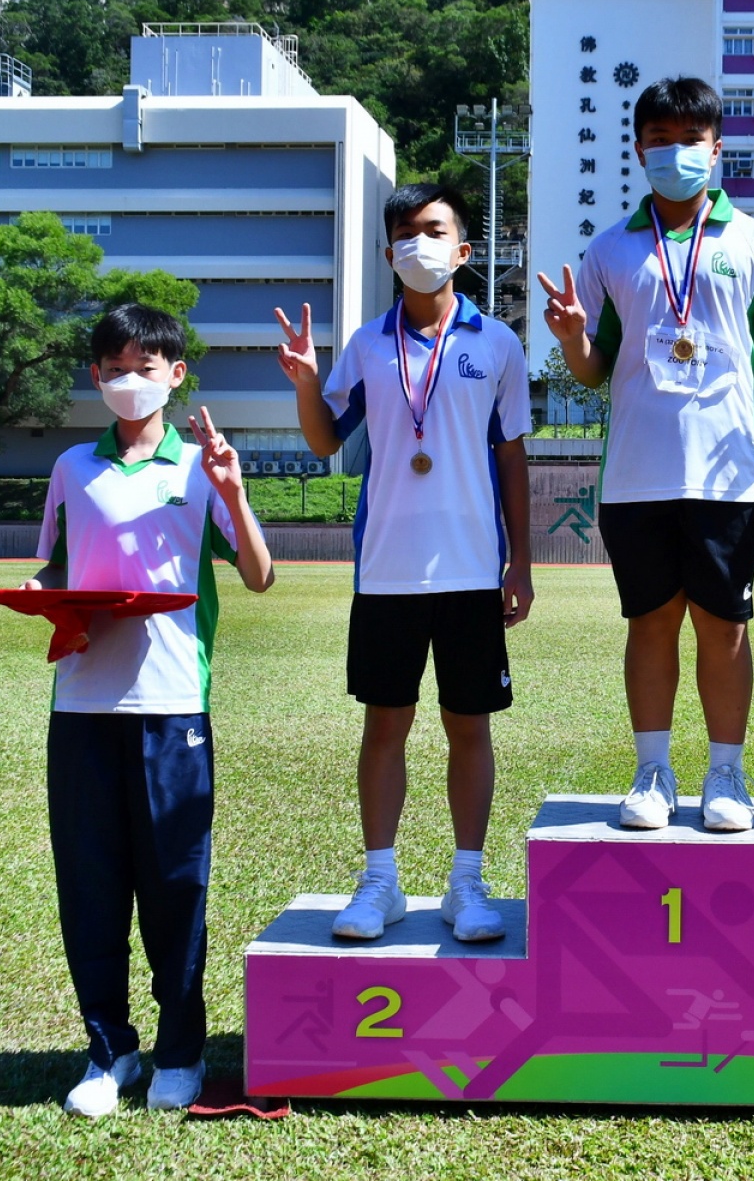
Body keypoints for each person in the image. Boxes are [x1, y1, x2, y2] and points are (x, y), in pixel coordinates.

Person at [534, 76, 754, 832]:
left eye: (690, 140)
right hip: (636, 476)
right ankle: (652, 771)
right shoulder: (610, 248)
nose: (675, 153)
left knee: (725, 627)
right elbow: (593, 370)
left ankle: (726, 774)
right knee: (650, 623)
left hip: (728, 476)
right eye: (660, 140)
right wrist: (572, 339)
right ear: (639, 150)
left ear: (716, 150)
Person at [22, 303, 275, 1118]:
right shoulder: (72, 467)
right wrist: (34, 593)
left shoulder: (202, 467)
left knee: (174, 883)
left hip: (171, 703)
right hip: (82, 703)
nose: (129, 380)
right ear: (95, 376)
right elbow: (54, 569)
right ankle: (109, 1049)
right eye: (114, 367)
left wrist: (234, 492)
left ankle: (180, 1050)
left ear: (176, 374)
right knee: (89, 884)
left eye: (146, 366)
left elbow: (261, 574)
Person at [277, 182, 533, 944]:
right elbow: (325, 440)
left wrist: (521, 563)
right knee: (384, 723)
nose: (419, 244)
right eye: (405, 234)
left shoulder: (498, 343)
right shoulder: (366, 345)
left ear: (464, 248)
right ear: (389, 254)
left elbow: (512, 457)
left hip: (471, 569)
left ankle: (467, 882)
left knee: (469, 726)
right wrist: (305, 382)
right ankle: (380, 881)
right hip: (387, 569)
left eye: (434, 229)